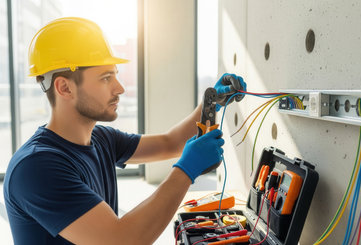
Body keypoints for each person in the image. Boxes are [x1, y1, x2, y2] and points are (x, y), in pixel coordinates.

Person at [3, 17, 246, 244]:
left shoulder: (100, 138)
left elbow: (169, 143)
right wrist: (186, 170)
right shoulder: (36, 167)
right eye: (106, 78)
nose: (120, 88)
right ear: (64, 88)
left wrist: (210, 103)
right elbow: (122, 240)